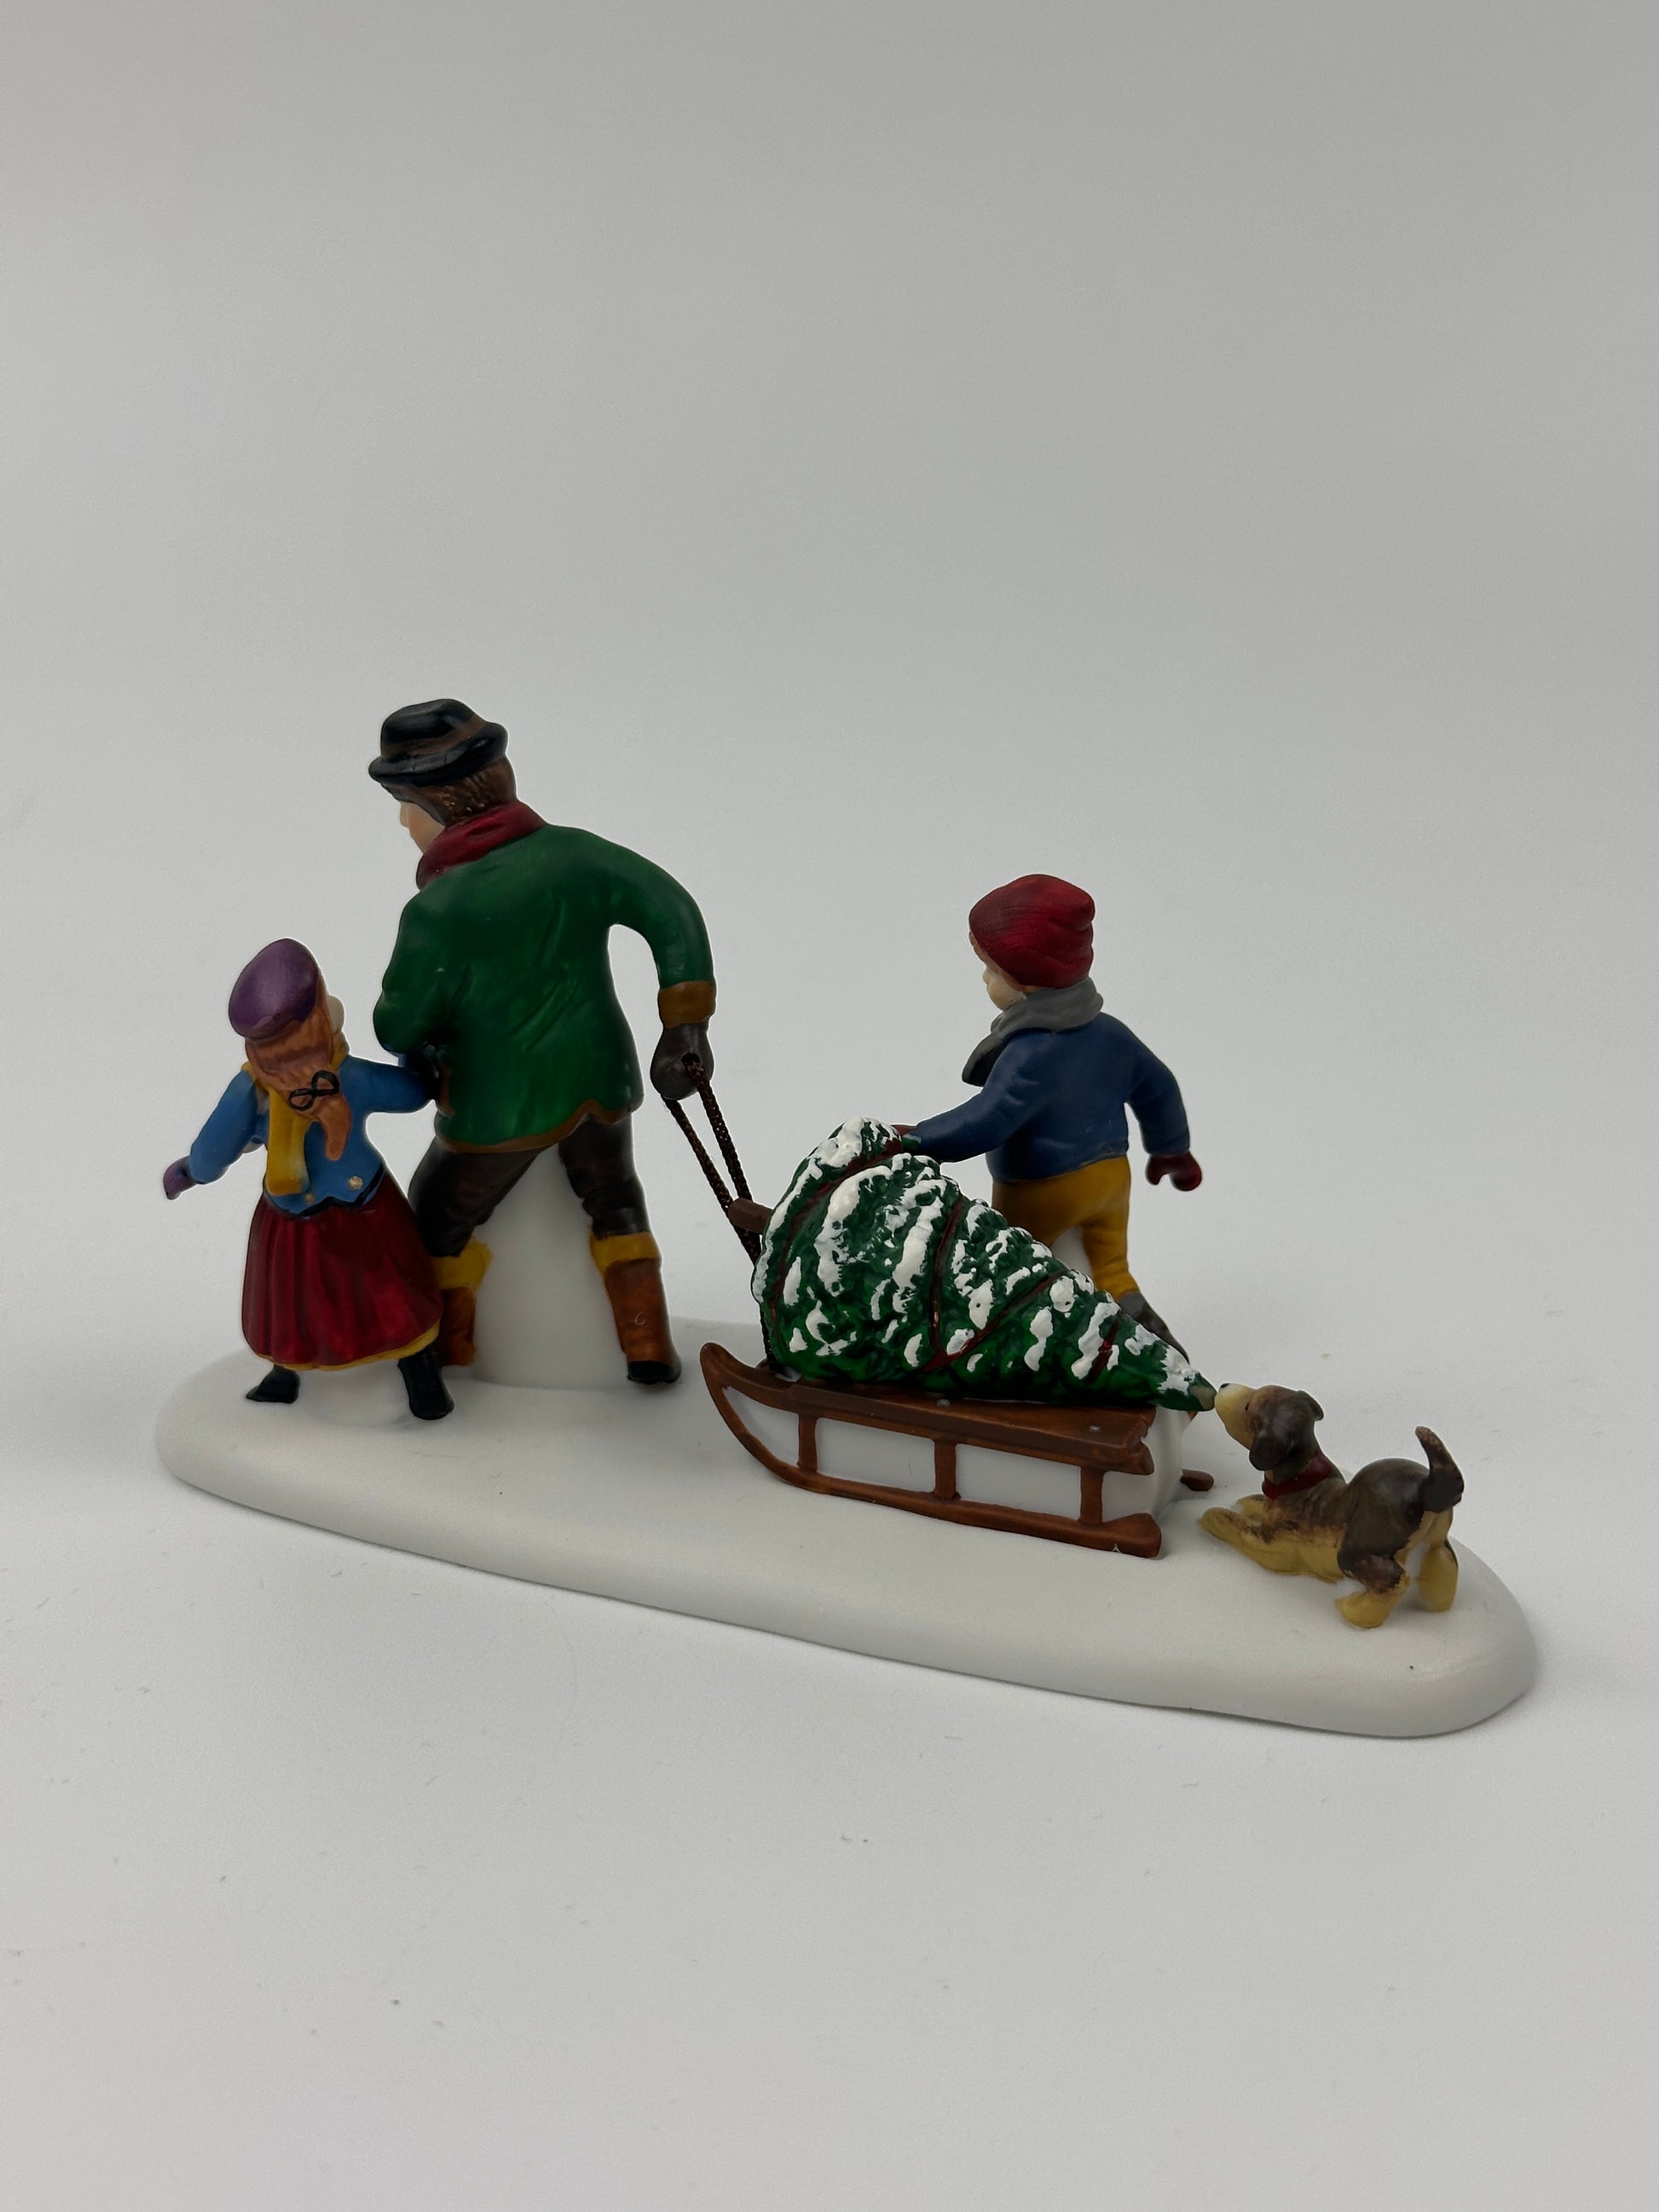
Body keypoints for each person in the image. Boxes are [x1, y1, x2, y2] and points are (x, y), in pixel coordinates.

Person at [367, 699, 717, 1384]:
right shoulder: (578, 854)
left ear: (440, 805)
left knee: (435, 1213)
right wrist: (685, 1023)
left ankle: (445, 1347)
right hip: (600, 1080)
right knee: (615, 1198)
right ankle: (645, 1338)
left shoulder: (438, 909)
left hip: (499, 1106)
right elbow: (671, 909)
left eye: (406, 805)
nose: (403, 823)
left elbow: (396, 1025)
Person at [907, 874, 1202, 1347]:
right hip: (1110, 1178)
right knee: (1111, 1269)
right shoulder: (1111, 1033)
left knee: (1010, 1271)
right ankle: (1155, 1344)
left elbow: (987, 1120)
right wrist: (1172, 1150)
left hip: (1043, 1189)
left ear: (1026, 982)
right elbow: (1159, 1087)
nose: (984, 980)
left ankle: (1006, 1349)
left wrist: (915, 1141)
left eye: (991, 972)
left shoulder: (1031, 1054)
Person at [162, 939, 452, 1418]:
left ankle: (287, 1373)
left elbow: (213, 1151)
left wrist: (190, 1172)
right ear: (322, 1014)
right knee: (389, 1292)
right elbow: (411, 1094)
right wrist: (416, 1055)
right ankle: (421, 1377)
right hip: (364, 1203)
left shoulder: (251, 1089)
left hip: (294, 1213)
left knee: (292, 1299)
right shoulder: (348, 1075)